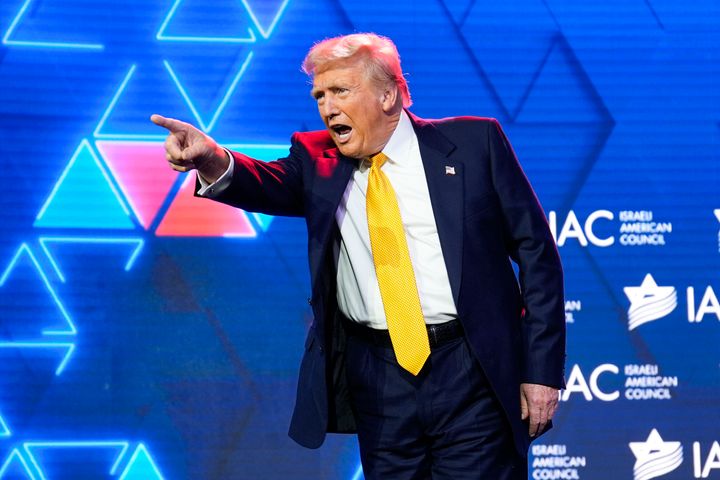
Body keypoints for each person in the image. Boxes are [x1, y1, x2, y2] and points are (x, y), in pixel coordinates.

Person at [152, 33, 565, 479]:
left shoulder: (473, 144)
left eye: (340, 92)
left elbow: (537, 255)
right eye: (319, 95)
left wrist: (540, 371)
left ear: (388, 94)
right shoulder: (317, 159)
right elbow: (262, 181)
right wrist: (211, 157)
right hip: (378, 377)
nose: (327, 107)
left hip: (471, 368)